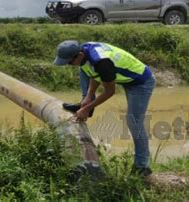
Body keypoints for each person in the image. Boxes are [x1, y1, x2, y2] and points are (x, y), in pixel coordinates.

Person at [54, 40, 155, 177]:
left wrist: (88, 106)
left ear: (79, 55)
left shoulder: (102, 62)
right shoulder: (85, 53)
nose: (69, 65)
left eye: (70, 62)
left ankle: (142, 167)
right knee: (83, 70)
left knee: (134, 121)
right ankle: (84, 105)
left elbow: (109, 91)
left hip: (140, 82)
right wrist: (89, 96)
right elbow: (94, 73)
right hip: (119, 76)